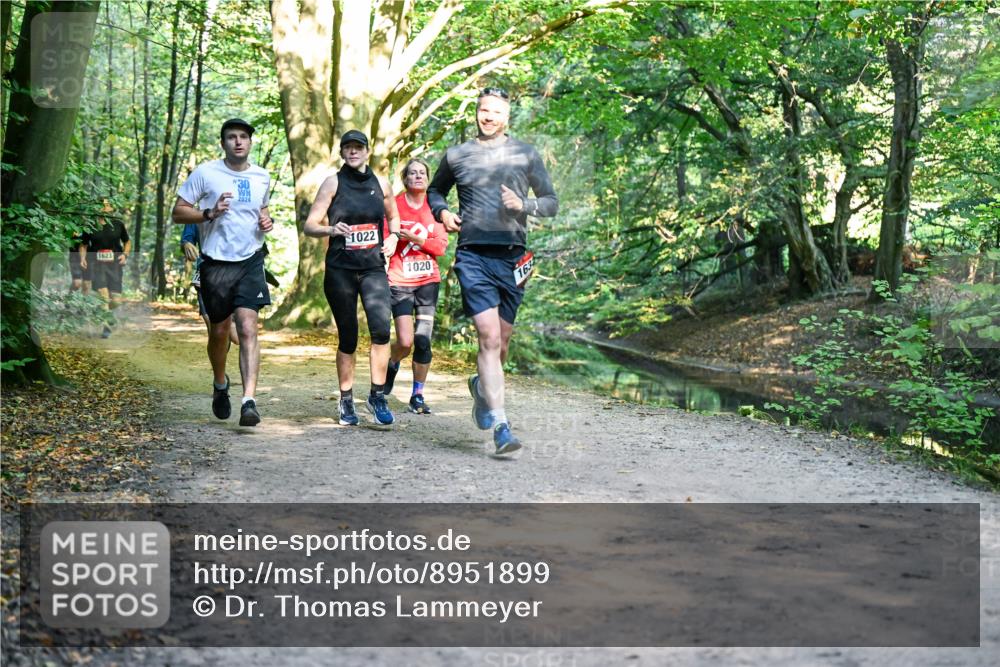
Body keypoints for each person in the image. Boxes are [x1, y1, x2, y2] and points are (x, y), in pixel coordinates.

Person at [427, 87, 558, 456]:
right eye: (484, 110)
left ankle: (481, 388)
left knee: (500, 343)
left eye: (496, 112)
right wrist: (442, 213)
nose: (489, 117)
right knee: (488, 337)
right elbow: (436, 192)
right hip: (472, 254)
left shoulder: (525, 153)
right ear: (476, 113)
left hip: (514, 257)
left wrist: (524, 203)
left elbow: (551, 202)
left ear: (507, 117)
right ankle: (502, 426)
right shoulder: (457, 155)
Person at [171, 118, 274, 427]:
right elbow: (178, 211)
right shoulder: (206, 173)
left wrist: (266, 222)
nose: (238, 142)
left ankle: (249, 401)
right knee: (219, 332)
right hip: (215, 263)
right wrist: (208, 213)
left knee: (247, 328)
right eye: (231, 137)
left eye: (243, 137)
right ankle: (220, 384)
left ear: (250, 143)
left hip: (250, 261)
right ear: (223, 143)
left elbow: (263, 210)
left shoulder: (262, 176)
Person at [303, 130, 400, 426]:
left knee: (382, 331)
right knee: (348, 336)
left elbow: (393, 217)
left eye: (358, 147)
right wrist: (331, 230)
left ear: (367, 152)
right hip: (340, 270)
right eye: (348, 148)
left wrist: (394, 237)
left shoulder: (381, 183)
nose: (353, 152)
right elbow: (310, 225)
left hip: (372, 268)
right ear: (342, 153)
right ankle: (346, 400)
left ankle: (377, 395)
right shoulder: (333, 182)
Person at [383, 158, 449, 414]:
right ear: (405, 178)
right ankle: (391, 363)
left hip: (427, 281)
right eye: (413, 173)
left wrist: (413, 237)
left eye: (422, 173)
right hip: (399, 280)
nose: (418, 176)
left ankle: (417, 395)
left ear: (428, 178)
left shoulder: (435, 207)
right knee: (406, 341)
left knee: (423, 340)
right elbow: (386, 235)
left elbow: (440, 246)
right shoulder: (395, 205)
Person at [182, 222, 239, 347]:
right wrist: (187, 246)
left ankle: (231, 330)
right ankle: (219, 366)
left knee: (234, 336)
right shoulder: (195, 214)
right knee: (215, 330)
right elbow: (187, 239)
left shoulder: (235, 208)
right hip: (204, 277)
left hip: (233, 276)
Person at [79, 199, 130, 338]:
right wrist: (83, 258)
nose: (104, 207)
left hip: (115, 264)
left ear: (111, 207)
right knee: (103, 295)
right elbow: (83, 244)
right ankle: (107, 326)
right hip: (96, 264)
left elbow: (127, 241)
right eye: (101, 205)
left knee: (116, 301)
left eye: (107, 205)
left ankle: (103, 311)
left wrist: (125, 255)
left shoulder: (118, 224)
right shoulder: (90, 225)